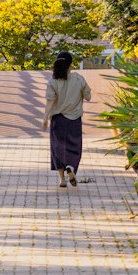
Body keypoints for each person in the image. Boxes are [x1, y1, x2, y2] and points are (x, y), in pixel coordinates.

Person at [43, 51, 91, 189]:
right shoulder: (78, 79)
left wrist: (45, 118)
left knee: (57, 149)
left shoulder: (53, 80)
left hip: (58, 120)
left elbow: (50, 101)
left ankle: (62, 179)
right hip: (74, 119)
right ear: (71, 64)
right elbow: (88, 96)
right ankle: (71, 167)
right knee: (74, 147)